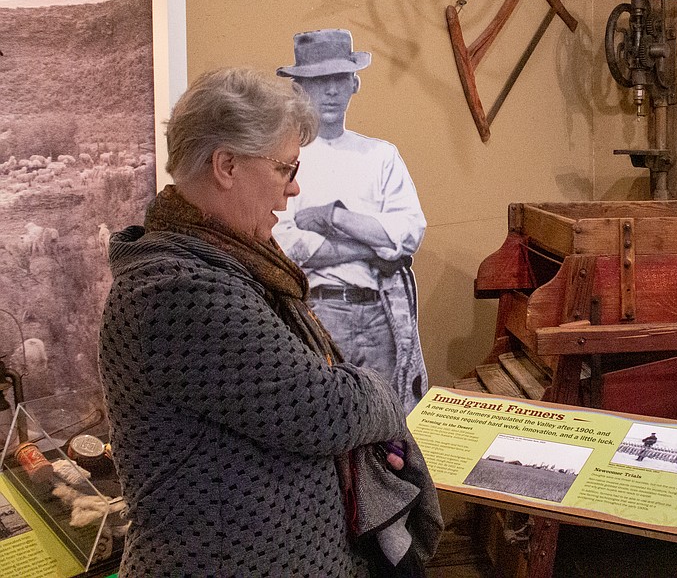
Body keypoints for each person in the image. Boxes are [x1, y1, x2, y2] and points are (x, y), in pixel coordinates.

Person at [98, 68, 440, 577]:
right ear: (227, 165)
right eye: (285, 168)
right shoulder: (176, 289)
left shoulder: (229, 262)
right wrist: (380, 396)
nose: (294, 188)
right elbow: (325, 410)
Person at [273, 29, 428, 411]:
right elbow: (285, 245)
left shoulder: (380, 156)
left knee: (387, 424)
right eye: (319, 81)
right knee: (323, 420)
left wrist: (331, 216)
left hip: (380, 316)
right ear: (298, 89)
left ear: (354, 83)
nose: (330, 91)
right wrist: (371, 243)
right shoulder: (283, 157)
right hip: (317, 314)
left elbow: (409, 234)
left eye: (340, 79)